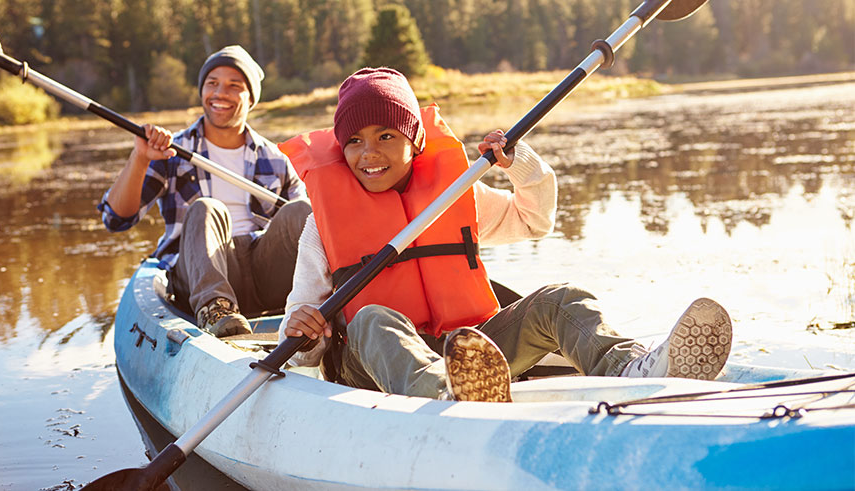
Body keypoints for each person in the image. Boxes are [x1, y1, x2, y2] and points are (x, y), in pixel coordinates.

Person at [278, 67, 732, 402]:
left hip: (470, 352)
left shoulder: (453, 197)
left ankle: (631, 370)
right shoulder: (323, 225)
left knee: (561, 299)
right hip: (369, 366)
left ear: (415, 141)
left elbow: (534, 219)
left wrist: (521, 165)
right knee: (373, 317)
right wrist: (303, 330)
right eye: (354, 141)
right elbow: (300, 336)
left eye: (385, 135)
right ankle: (447, 397)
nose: (369, 153)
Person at [98, 45, 311, 338]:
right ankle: (216, 310)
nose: (220, 93)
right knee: (207, 208)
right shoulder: (171, 152)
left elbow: (307, 230)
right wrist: (141, 158)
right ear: (201, 92)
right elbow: (116, 219)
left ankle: (329, 309)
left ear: (251, 99)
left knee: (302, 212)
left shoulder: (275, 159)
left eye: (234, 86)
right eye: (212, 83)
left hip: (261, 273)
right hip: (197, 275)